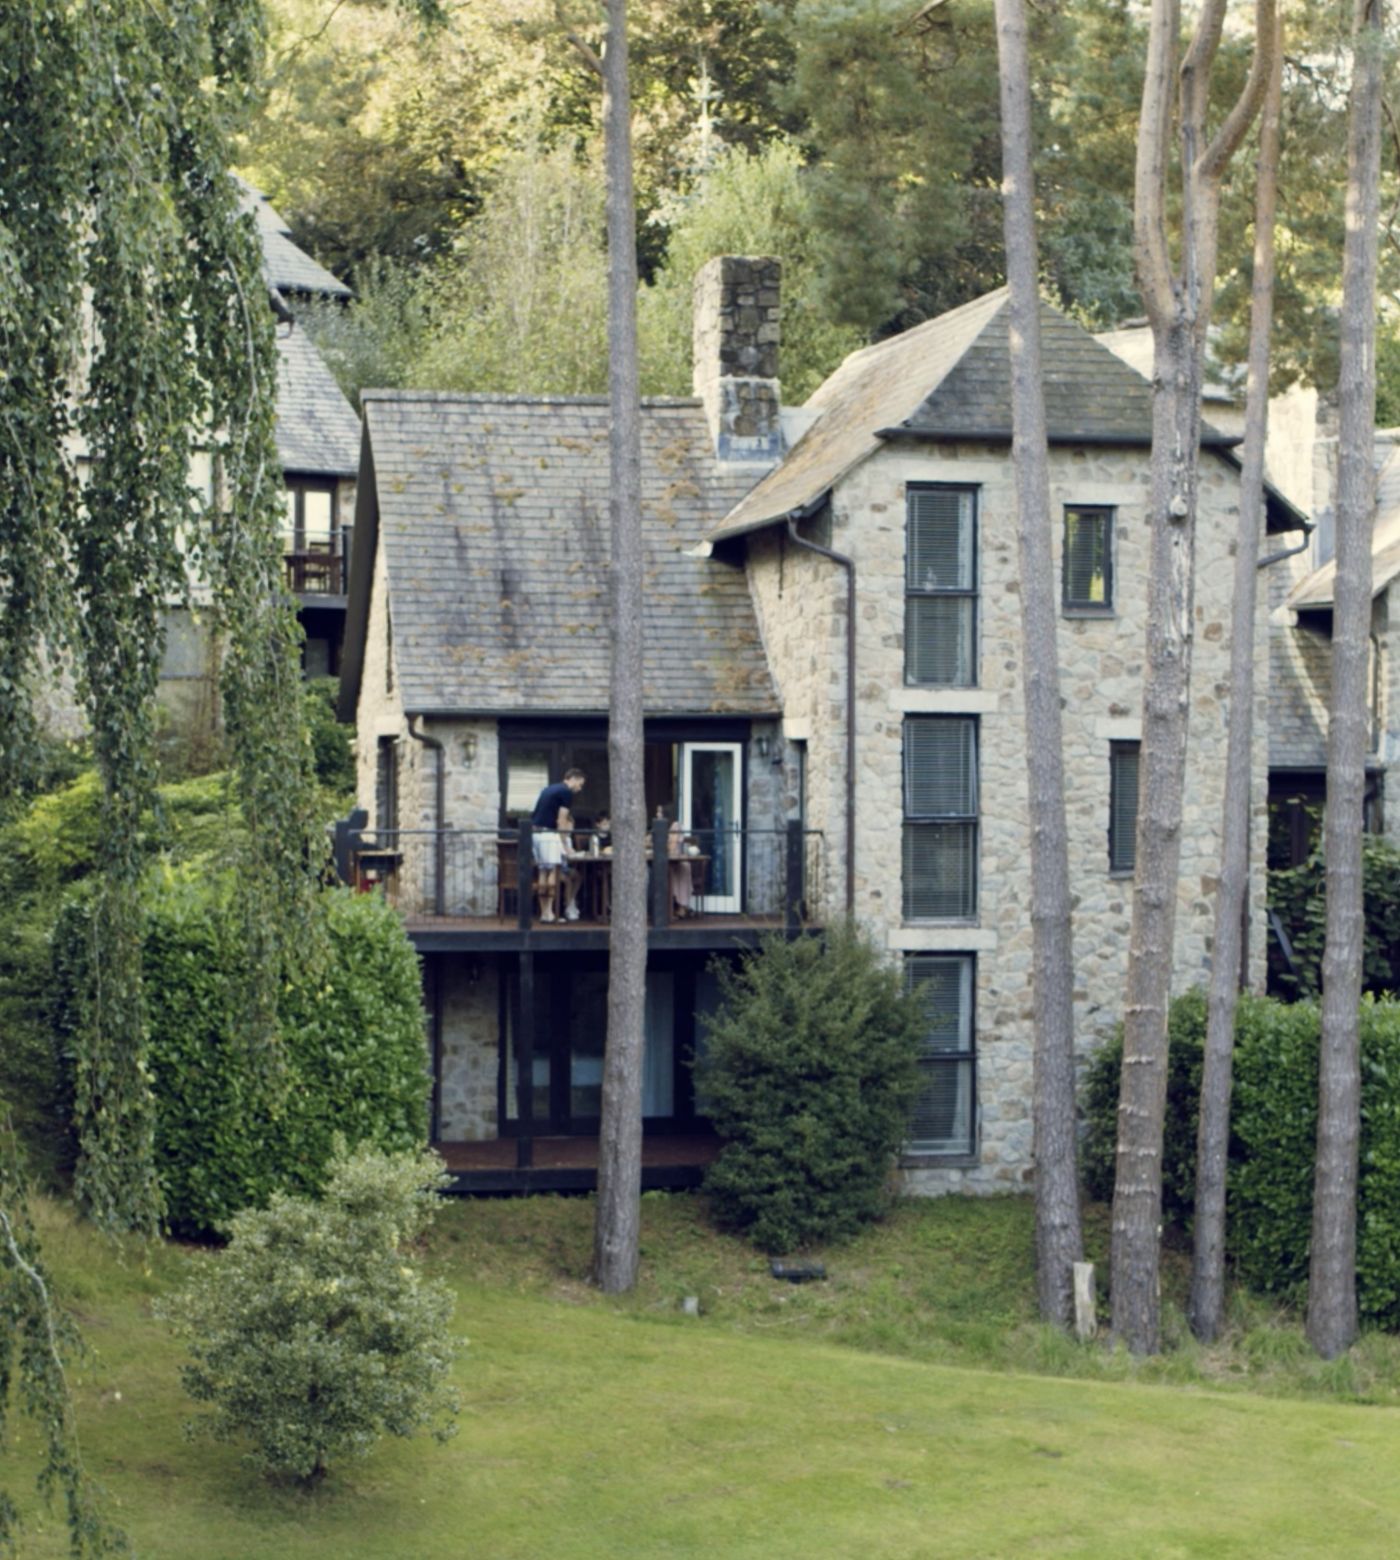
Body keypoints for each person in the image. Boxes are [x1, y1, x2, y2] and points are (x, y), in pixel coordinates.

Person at [530, 768, 585, 923]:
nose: (579, 789)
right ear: (572, 778)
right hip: (548, 833)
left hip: (535, 833)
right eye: (579, 784)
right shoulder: (565, 792)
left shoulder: (549, 788)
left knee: (542, 871)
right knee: (554, 870)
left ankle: (545, 913)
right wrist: (564, 844)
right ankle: (550, 913)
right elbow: (561, 820)